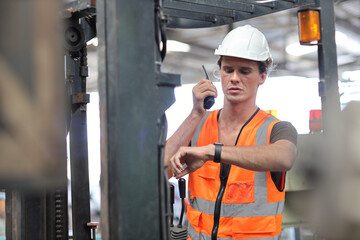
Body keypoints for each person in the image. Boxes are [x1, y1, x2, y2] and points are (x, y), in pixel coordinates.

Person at [164, 25, 297, 240]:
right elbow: (160, 170)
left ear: (262, 76)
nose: (234, 78)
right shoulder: (198, 123)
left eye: (244, 71)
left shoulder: (277, 129)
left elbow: (284, 157)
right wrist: (196, 113)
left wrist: (211, 152)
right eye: (228, 70)